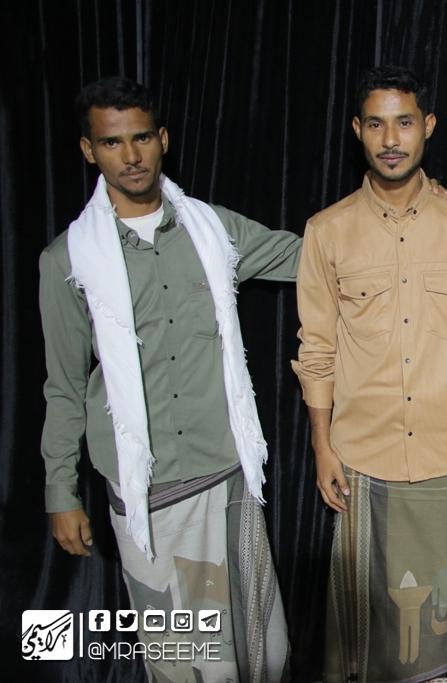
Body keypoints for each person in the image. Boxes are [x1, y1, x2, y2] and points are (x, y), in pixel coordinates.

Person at [39, 77, 295, 681]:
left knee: (261, 647)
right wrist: (60, 492)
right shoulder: (67, 259)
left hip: (225, 470)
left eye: (142, 138)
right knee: (183, 658)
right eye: (112, 142)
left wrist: (385, 217)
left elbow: (312, 257)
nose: (130, 156)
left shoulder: (212, 229)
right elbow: (64, 386)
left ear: (163, 140)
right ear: (88, 150)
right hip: (146, 491)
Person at [292, 66, 447, 683]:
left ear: (427, 126)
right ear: (358, 131)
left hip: (446, 445)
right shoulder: (327, 231)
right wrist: (322, 446)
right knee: (368, 625)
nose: (391, 139)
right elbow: (316, 347)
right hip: (363, 452)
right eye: (377, 124)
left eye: (404, 122)